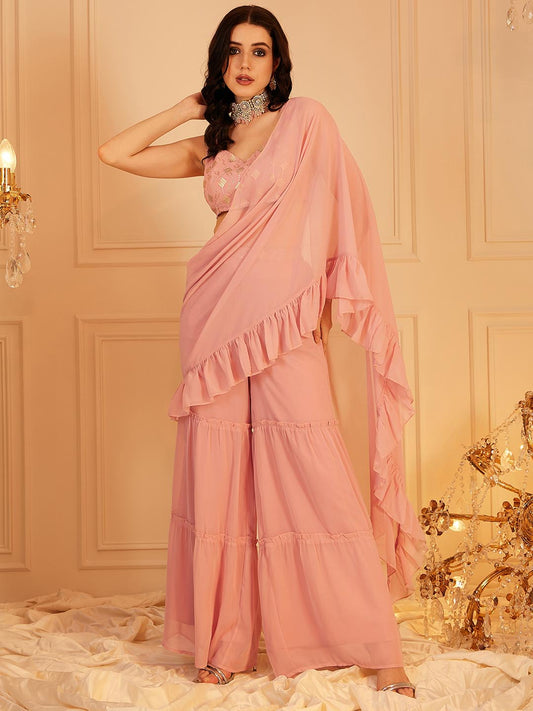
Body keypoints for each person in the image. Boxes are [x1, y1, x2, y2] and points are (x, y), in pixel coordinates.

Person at [98, 4, 426, 698]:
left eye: (259, 51)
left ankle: (377, 645)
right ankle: (223, 642)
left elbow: (339, 216)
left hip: (283, 324)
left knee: (315, 471)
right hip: (214, 321)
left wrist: (318, 301)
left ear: (278, 64)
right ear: (219, 62)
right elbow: (114, 154)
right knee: (218, 478)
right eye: (233, 51)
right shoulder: (210, 147)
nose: (245, 63)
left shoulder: (306, 123)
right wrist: (183, 109)